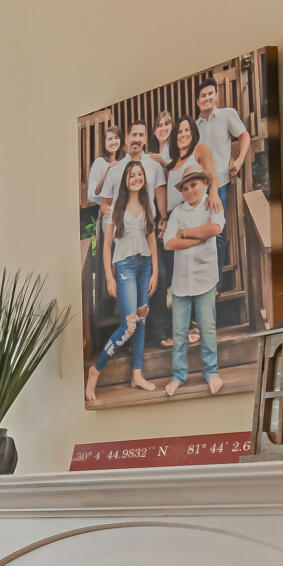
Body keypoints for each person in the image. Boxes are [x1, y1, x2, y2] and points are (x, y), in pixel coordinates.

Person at [162, 148, 226, 394]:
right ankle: (178, 375)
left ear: (204, 183)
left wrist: (186, 233)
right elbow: (169, 243)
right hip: (181, 280)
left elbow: (214, 230)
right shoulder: (178, 213)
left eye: (194, 185)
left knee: (207, 327)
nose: (190, 191)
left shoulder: (212, 204)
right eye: (185, 188)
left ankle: (211, 372)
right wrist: (198, 238)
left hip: (205, 277)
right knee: (179, 331)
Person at [95, 157, 162, 393]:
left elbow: (151, 239)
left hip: (145, 266)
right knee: (129, 325)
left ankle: (137, 375)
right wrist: (109, 277)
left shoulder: (148, 204)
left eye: (140, 175)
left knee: (141, 320)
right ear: (125, 179)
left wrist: (155, 271)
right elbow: (106, 246)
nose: (136, 178)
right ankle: (96, 370)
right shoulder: (114, 208)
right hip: (125, 268)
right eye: (132, 175)